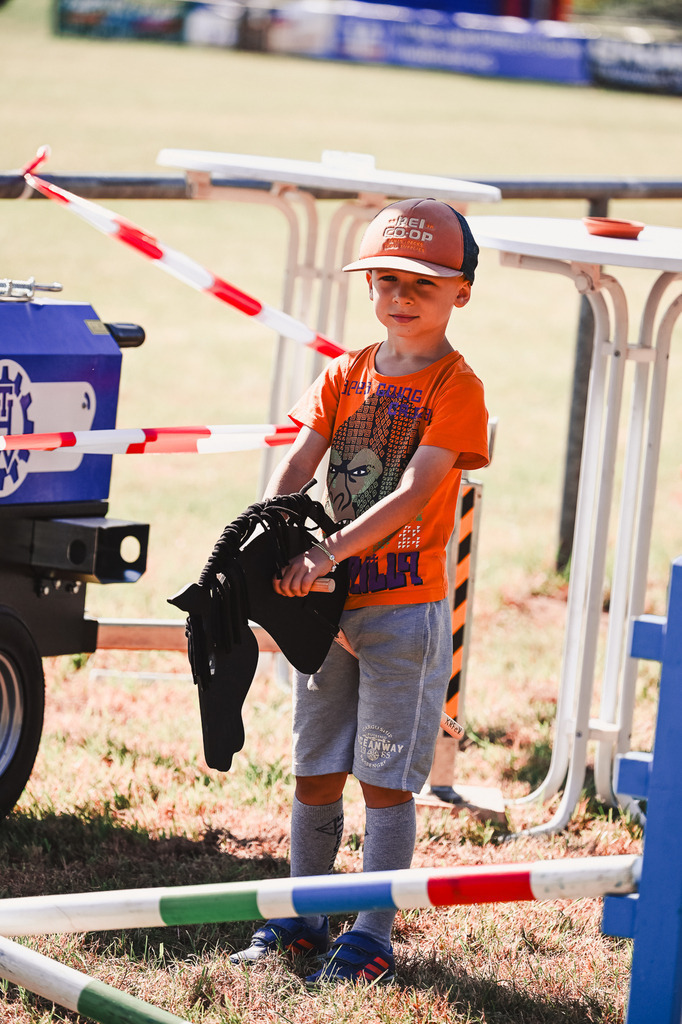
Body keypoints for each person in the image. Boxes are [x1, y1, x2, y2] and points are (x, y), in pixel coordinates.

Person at [230, 198, 489, 985]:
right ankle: (302, 916)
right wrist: (270, 527)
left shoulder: (457, 385)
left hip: (403, 617)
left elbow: (416, 492)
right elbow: (300, 461)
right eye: (385, 280)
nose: (401, 297)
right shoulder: (344, 371)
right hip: (326, 617)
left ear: (461, 294)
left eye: (423, 283)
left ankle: (371, 933)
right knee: (314, 769)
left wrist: (329, 550)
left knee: (383, 778)